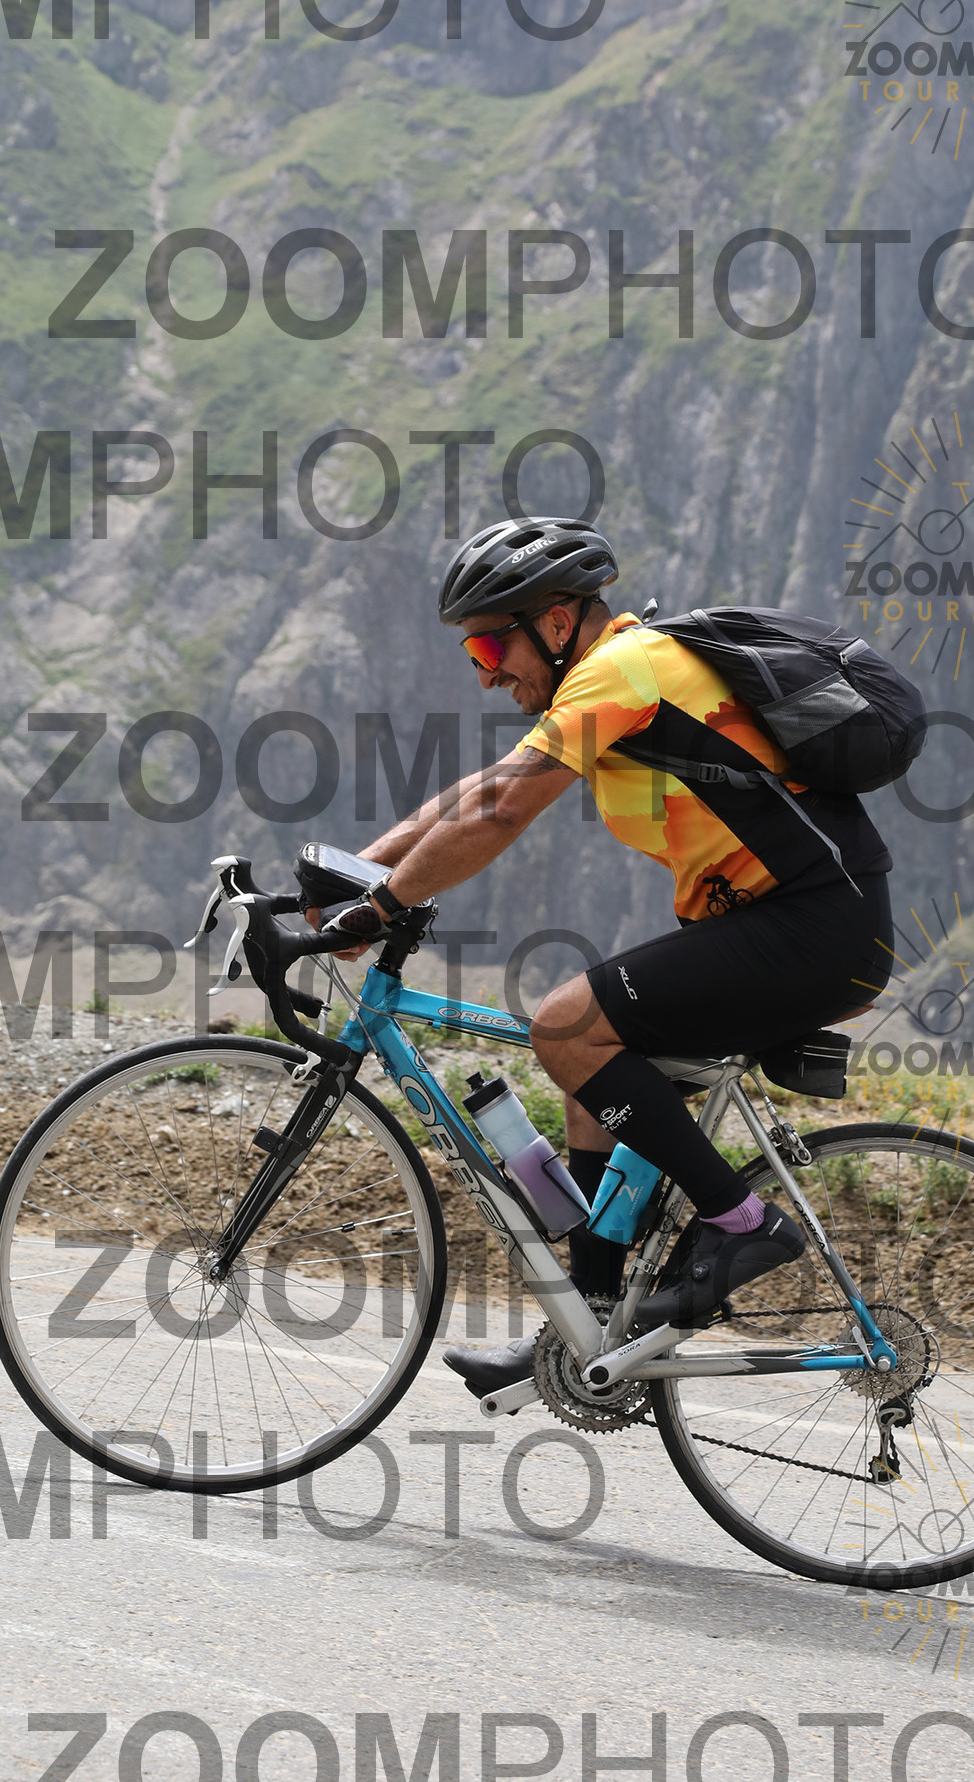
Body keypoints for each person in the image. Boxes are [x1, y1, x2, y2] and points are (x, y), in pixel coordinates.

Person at [345, 516, 894, 1400]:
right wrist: (353, 873)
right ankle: (589, 1329)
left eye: (490, 645)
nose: (485, 672)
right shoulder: (611, 675)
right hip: (794, 928)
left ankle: (744, 1225)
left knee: (567, 1027)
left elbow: (499, 814)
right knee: (589, 1076)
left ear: (557, 621)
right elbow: (484, 789)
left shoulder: (623, 668)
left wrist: (378, 908)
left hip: (819, 928)